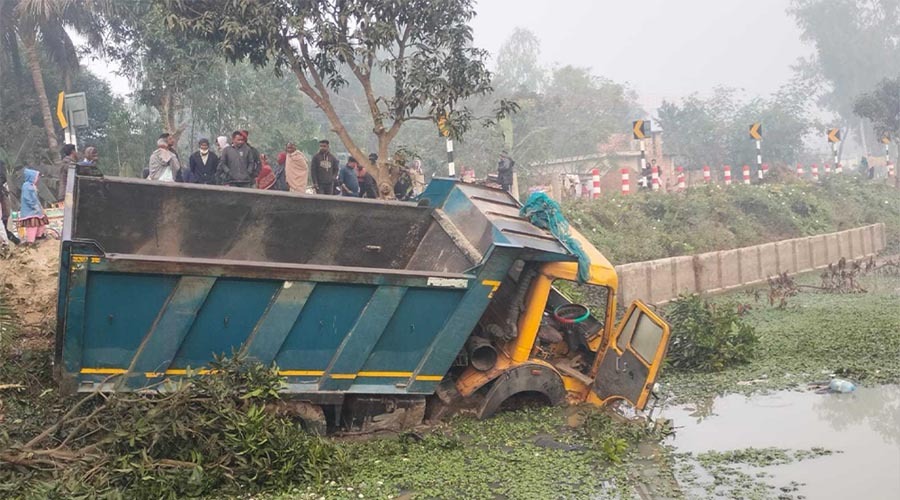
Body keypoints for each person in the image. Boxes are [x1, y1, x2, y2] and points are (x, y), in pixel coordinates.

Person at [17, 168, 49, 246]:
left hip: (36, 211)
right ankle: (31, 241)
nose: (37, 179)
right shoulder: (27, 186)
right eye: (36, 177)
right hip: (30, 211)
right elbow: (28, 198)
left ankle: (39, 236)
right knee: (32, 225)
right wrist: (34, 206)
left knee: (40, 223)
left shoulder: (31, 186)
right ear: (31, 177)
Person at [0, 161, 20, 245]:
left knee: (3, 224)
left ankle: (8, 242)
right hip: (3, 197)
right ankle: (12, 240)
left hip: (2, 198)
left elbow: (2, 177)